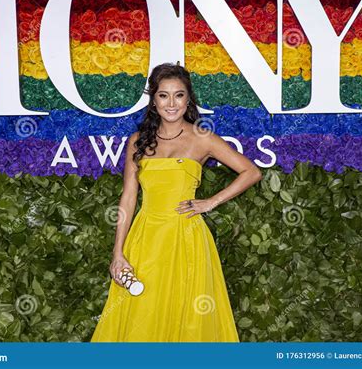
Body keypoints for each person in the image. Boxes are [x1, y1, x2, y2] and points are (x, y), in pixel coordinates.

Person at [91, 62, 262, 342]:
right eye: (163, 95)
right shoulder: (137, 141)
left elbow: (251, 172)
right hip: (145, 239)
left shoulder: (202, 138)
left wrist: (210, 202)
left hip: (186, 240)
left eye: (179, 95)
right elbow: (128, 197)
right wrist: (118, 252)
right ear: (154, 100)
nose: (171, 103)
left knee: (188, 319)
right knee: (140, 314)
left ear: (188, 99)